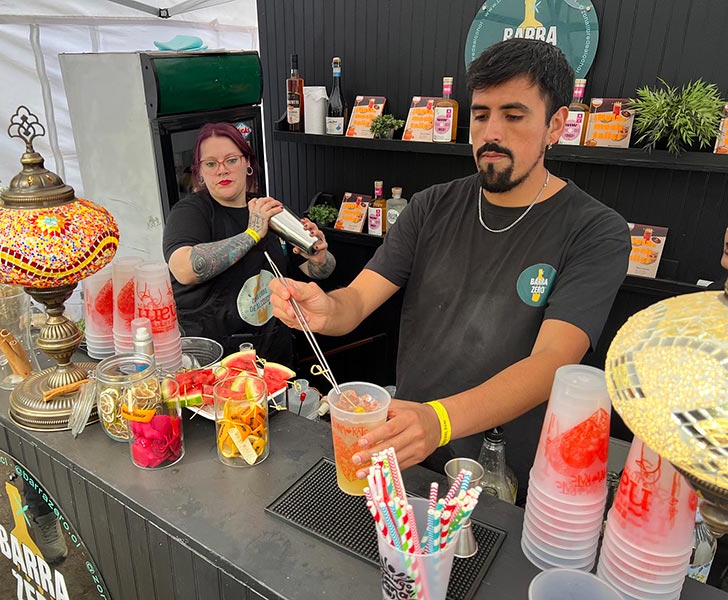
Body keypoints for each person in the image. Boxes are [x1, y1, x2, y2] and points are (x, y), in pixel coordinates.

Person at [269, 39, 631, 502]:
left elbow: (552, 361)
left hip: (502, 475)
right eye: (480, 115)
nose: (491, 133)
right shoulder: (431, 206)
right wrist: (325, 308)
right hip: (406, 451)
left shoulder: (595, 230)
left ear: (555, 125)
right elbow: (355, 301)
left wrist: (440, 420)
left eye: (513, 116)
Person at [163, 123, 335, 364]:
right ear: (200, 172)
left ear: (248, 164)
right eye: (211, 164)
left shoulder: (267, 209)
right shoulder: (190, 212)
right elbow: (184, 268)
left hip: (272, 350)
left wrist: (318, 257)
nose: (222, 170)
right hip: (213, 359)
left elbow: (321, 270)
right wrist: (252, 233)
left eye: (231, 160)